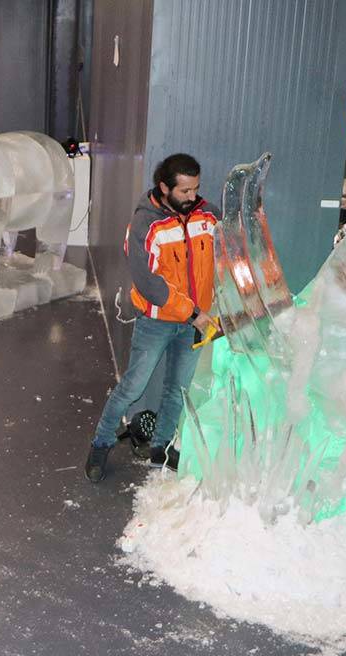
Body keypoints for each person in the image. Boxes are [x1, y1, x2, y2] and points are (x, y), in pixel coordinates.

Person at [84, 153, 219, 482]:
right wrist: (193, 314)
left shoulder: (207, 215)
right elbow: (149, 283)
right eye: (185, 191)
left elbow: (229, 249)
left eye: (195, 189)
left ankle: (161, 448)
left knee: (178, 390)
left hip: (195, 322)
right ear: (164, 187)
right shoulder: (145, 224)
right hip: (158, 322)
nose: (192, 197)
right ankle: (101, 444)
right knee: (133, 387)